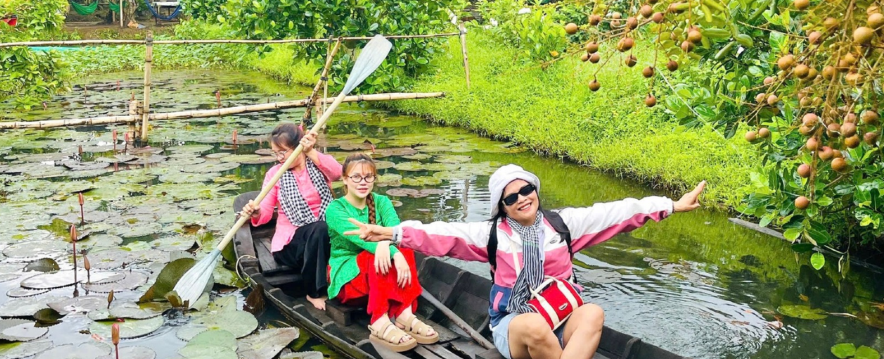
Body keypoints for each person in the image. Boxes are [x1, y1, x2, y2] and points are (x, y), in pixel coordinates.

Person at [346, 164, 705, 359]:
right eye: (511, 197)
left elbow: (618, 212)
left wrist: (671, 205)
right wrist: (393, 234)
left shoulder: (564, 225)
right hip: (515, 326)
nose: (521, 199)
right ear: (501, 207)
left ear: (535, 190)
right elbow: (440, 234)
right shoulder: (490, 236)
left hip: (562, 317)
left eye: (525, 190)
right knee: (533, 327)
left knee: (593, 313)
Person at [326, 153, 438, 352]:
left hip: (378, 274)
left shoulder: (382, 202)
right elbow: (361, 239)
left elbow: (396, 232)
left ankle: (404, 314)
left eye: (368, 177)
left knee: (405, 247)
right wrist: (391, 251)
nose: (363, 182)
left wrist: (390, 247)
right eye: (356, 177)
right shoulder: (335, 209)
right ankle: (378, 319)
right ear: (344, 179)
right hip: (348, 280)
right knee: (376, 254)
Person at [240, 122, 341, 310]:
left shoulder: (317, 164)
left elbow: (338, 173)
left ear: (298, 148)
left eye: (283, 152)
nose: (279, 158)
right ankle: (314, 292)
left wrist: (310, 151)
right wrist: (256, 212)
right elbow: (265, 211)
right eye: (275, 153)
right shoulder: (274, 175)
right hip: (290, 246)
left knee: (329, 228)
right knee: (319, 228)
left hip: (327, 237)